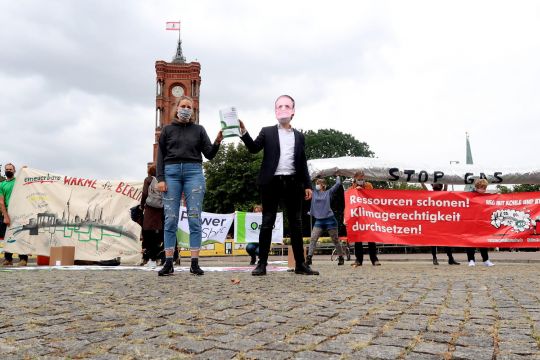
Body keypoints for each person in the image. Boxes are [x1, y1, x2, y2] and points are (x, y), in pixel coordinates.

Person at [239, 94, 318, 276]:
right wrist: (243, 132)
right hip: (271, 182)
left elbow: (302, 161)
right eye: (279, 106)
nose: (283, 109)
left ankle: (300, 264)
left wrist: (307, 184)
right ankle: (262, 264)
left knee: (296, 224)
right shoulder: (267, 132)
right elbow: (253, 148)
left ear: (293, 112)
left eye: (287, 106)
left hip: (293, 182)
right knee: (267, 222)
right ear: (275, 111)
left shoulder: (300, 136)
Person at [156, 95, 223, 276]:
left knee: (194, 217)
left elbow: (209, 154)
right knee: (170, 218)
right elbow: (160, 156)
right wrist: (160, 178)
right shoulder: (167, 130)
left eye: (189, 107)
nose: (186, 109)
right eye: (183, 105)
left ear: (193, 110)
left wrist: (217, 141)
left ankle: (194, 262)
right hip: (171, 173)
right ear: (177, 108)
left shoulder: (199, 130)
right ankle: (169, 261)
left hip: (194, 172)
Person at [306, 176, 345, 266]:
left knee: (335, 240)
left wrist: (337, 175)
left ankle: (341, 257)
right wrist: (316, 174)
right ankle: (309, 258)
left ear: (323, 185)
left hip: (330, 220)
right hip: (319, 221)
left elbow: (338, 184)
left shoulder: (329, 192)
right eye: (316, 184)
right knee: (313, 239)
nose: (316, 185)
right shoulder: (314, 192)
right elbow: (308, 180)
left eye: (318, 184)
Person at [421, 183, 460, 265]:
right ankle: (435, 258)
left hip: (442, 220)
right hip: (434, 221)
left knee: (446, 240)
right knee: (434, 241)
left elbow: (445, 187)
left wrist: (446, 181)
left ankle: (450, 258)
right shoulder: (431, 194)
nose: (436, 185)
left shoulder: (442, 194)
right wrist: (421, 182)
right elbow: (425, 188)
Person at [350, 171, 381, 266]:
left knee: (371, 237)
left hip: (368, 215)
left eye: (362, 178)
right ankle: (358, 260)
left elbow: (372, 196)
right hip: (358, 216)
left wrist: (362, 191)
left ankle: (374, 259)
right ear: (355, 179)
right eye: (358, 179)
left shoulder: (369, 186)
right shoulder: (352, 188)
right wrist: (356, 190)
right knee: (357, 238)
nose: (360, 180)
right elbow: (350, 200)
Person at [1, 163, 28, 267]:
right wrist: (5, 216)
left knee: (21, 235)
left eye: (10, 169)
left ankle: (23, 259)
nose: (8, 170)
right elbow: (1, 202)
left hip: (20, 212)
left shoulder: (18, 181)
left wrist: (24, 171)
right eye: (7, 169)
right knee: (8, 236)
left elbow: (26, 178)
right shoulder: (1, 185)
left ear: (14, 170)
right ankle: (8, 259)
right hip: (8, 212)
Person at [140, 165, 164, 269]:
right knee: (157, 236)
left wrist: (141, 206)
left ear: (149, 172)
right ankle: (157, 258)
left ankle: (151, 259)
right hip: (160, 210)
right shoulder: (162, 180)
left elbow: (145, 193)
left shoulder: (148, 180)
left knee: (148, 235)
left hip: (150, 210)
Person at [467, 179, 494, 267]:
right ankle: (471, 260)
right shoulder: (469, 195)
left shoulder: (485, 197)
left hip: (481, 222)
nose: (484, 189)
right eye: (482, 187)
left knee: (483, 241)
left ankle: (486, 260)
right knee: (470, 242)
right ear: (477, 187)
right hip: (471, 221)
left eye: (485, 188)